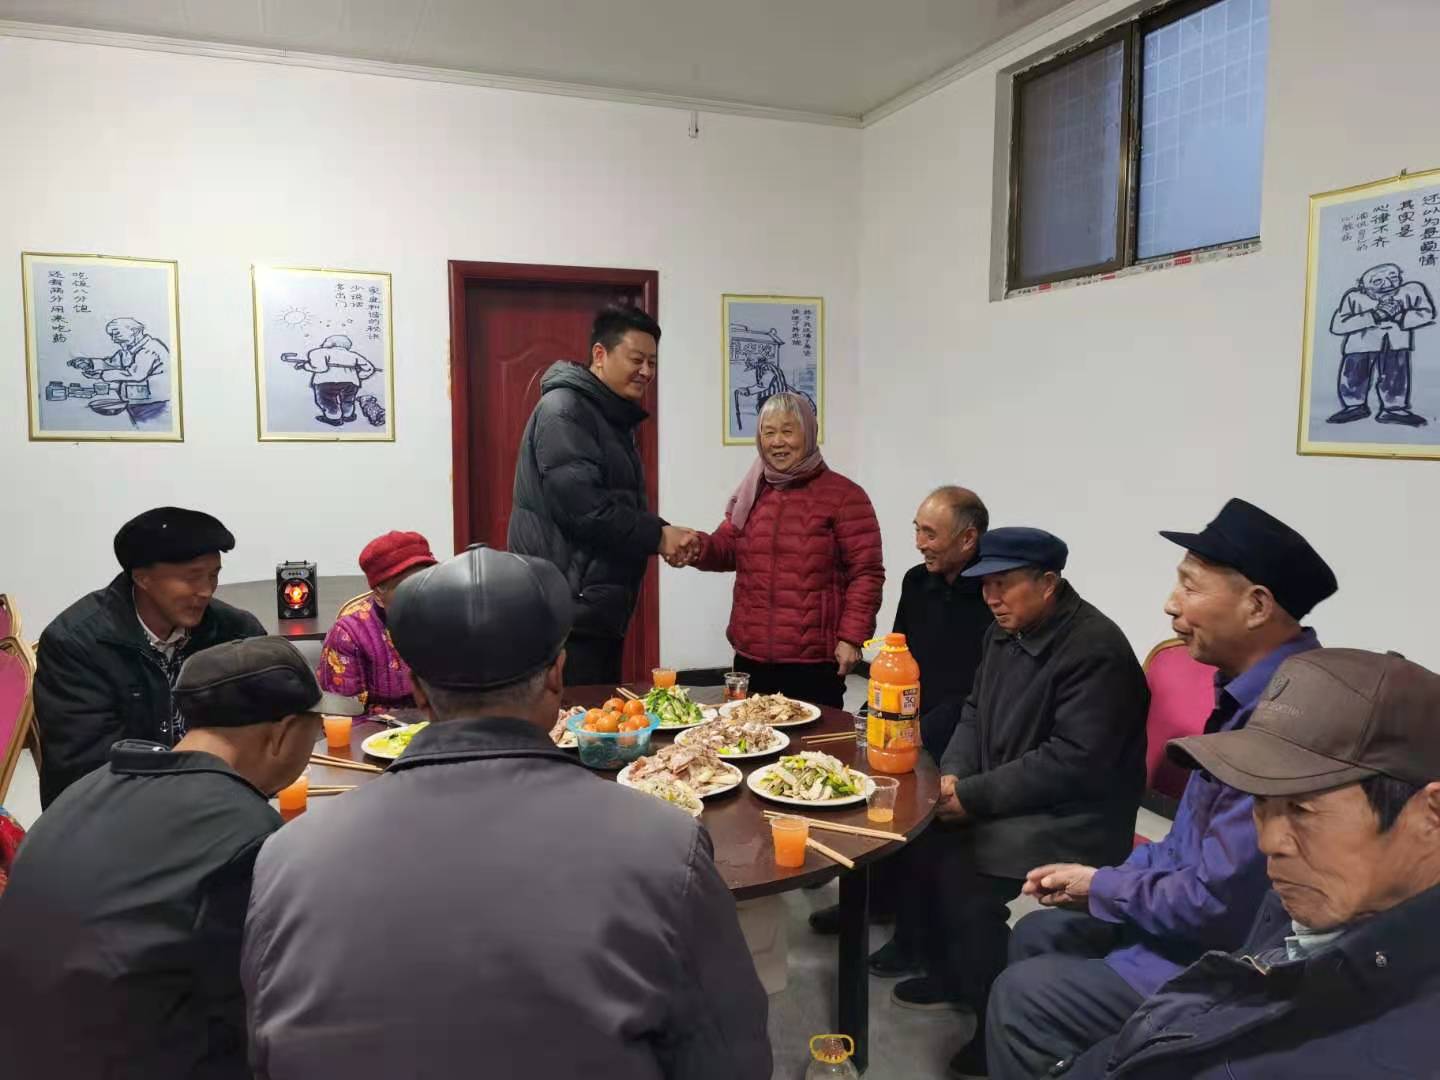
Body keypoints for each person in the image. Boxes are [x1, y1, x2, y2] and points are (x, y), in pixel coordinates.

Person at [242, 545, 772, 1079]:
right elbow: (733, 1062)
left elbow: (264, 1051)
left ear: (418, 692)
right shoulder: (664, 847)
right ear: (557, 676)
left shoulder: (289, 857)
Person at [987, 498, 1339, 1080]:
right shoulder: (1246, 690)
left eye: (1190, 586)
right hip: (1192, 922)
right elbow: (1185, 845)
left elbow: (1218, 906)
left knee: (1025, 995)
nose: (1171, 604)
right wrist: (1103, 881)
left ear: (1256, 606)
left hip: (1225, 963)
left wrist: (1105, 887)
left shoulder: (1284, 723)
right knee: (1038, 932)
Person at [1061, 648, 1440, 1079]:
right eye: (1261, 803)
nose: (1268, 841)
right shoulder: (1318, 907)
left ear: (1430, 816)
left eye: (1301, 810)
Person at [0, 637, 358, 1079]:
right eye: (315, 730)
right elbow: (271, 1008)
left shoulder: (86, 790)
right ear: (281, 733)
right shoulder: (244, 833)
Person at [888, 527, 1149, 1080]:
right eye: (985, 585)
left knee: (962, 878)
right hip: (1010, 796)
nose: (991, 598)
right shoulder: (1003, 631)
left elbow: (1072, 762)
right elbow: (973, 710)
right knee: (918, 835)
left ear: (1048, 583)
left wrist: (973, 797)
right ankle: (952, 974)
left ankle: (997, 1024)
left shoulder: (1096, 650)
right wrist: (953, 776)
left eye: (1003, 584)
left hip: (1074, 816)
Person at [810, 484, 990, 936]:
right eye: (917, 530)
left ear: (968, 539)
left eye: (930, 534)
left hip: (963, 727)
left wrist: (920, 731)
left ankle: (914, 928)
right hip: (908, 712)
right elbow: (895, 656)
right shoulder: (916, 580)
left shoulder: (991, 593)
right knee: (866, 786)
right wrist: (872, 711)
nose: (919, 543)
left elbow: (981, 688)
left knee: (919, 813)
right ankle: (868, 899)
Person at [508, 305, 699, 685]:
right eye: (637, 359)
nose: (646, 371)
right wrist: (659, 535)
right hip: (566, 612)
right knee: (577, 716)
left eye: (653, 362)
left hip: (590, 610)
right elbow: (583, 508)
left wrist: (662, 532)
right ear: (600, 354)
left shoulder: (607, 415)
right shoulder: (564, 409)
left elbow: (613, 503)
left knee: (596, 714)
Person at [32, 506, 265, 807]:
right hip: (113, 813)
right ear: (142, 578)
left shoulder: (235, 632)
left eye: (213, 575)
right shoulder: (76, 644)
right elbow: (86, 770)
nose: (206, 591)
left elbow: (272, 724)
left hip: (217, 801)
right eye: (193, 577)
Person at [683, 392, 883, 708]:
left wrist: (852, 637)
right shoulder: (753, 492)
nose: (777, 442)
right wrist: (694, 546)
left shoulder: (846, 497)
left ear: (810, 433)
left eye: (788, 431)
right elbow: (728, 547)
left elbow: (866, 573)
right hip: (752, 654)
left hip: (814, 661)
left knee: (815, 738)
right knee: (750, 733)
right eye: (769, 432)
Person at [317, 529, 438, 713]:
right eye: (406, 585)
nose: (420, 592)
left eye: (426, 580)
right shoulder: (349, 634)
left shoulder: (448, 617)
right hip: (380, 729)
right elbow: (343, 716)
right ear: (379, 593)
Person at [1327, 261, 1435, 426]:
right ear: (1364, 286)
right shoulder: (1354, 297)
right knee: (1354, 374)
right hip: (1360, 344)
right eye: (1378, 281)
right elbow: (1338, 325)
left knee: (1396, 375)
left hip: (1396, 343)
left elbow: (1427, 313)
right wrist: (1375, 315)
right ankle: (1354, 406)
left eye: (1393, 277)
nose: (1389, 284)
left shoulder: (1412, 290)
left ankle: (1394, 409)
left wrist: (1400, 317)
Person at [69, 316, 170, 413]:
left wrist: (101, 375)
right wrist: (90, 363)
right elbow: (111, 363)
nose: (113, 339)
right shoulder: (128, 349)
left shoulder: (150, 348)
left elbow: (135, 374)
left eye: (117, 334)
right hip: (135, 401)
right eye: (111, 335)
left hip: (154, 403)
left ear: (135, 331)